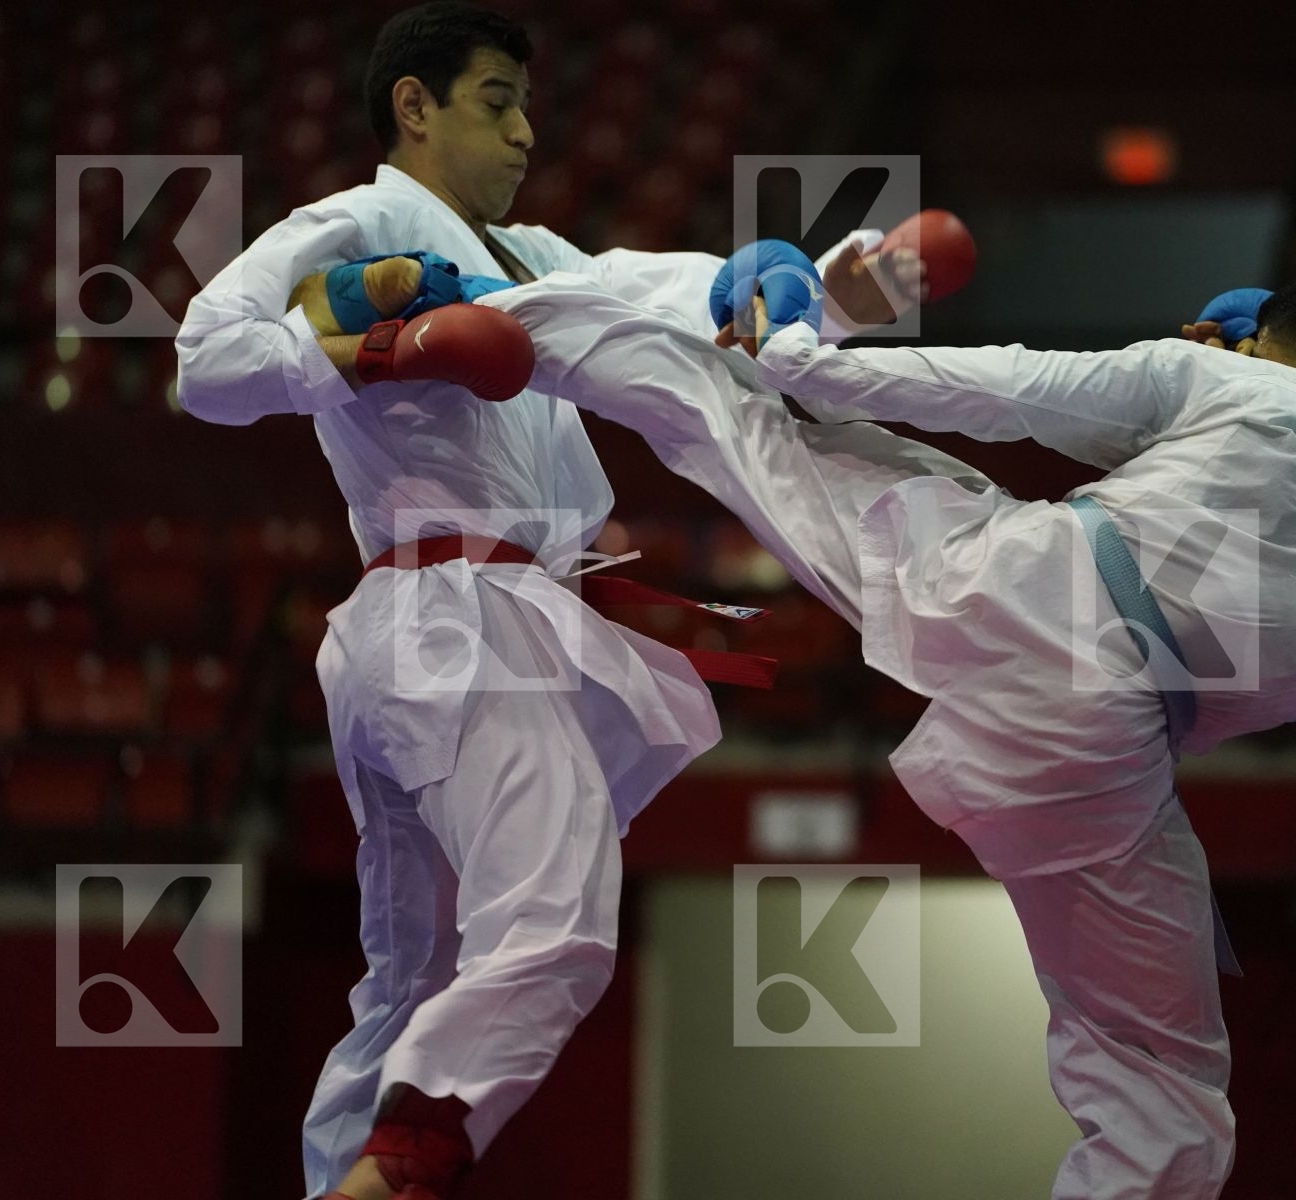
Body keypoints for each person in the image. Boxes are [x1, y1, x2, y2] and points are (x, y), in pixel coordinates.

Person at [302, 257, 1296, 1198]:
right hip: (1109, 755)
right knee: (1164, 1081)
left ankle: (446, 322)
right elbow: (1236, 562)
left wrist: (810, 352)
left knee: (746, 410)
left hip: (1025, 605)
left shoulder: (1263, 389)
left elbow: (1011, 388)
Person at [173, 5, 917, 1197]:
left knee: (409, 987)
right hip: (450, 614)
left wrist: (802, 279)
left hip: (462, 633)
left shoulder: (537, 259)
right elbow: (204, 365)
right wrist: (374, 346)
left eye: (527, 102)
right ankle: (407, 1164)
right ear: (413, 106)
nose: (526, 130)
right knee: (554, 918)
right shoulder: (355, 223)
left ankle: (341, 1182)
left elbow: (664, 298)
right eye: (495, 100)